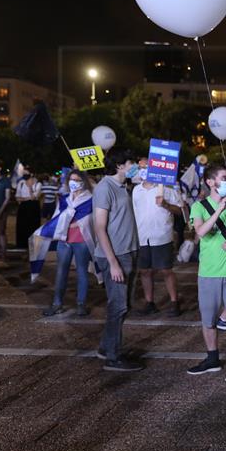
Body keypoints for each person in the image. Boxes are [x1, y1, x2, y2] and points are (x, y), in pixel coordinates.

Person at [187, 165, 226, 382]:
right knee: (208, 320)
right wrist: (220, 210)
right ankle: (212, 359)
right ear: (210, 182)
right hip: (208, 272)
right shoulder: (199, 206)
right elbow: (201, 232)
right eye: (223, 178)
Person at [92, 147, 144, 372]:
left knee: (124, 305)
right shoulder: (105, 188)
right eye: (131, 162)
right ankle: (113, 357)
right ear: (120, 165)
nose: (134, 166)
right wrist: (112, 262)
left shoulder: (123, 186)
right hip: (116, 256)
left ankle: (106, 346)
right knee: (118, 306)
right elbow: (100, 227)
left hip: (129, 252)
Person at [42, 170, 95, 317]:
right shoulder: (64, 199)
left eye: (77, 180)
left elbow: (90, 219)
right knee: (61, 272)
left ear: (83, 182)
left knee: (82, 272)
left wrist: (74, 224)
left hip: (81, 240)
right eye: (71, 179)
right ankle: (57, 304)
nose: (73, 182)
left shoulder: (90, 199)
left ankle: (81, 304)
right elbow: (56, 217)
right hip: (64, 240)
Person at [132, 176, 184, 317]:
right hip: (143, 237)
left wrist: (165, 204)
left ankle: (174, 302)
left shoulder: (166, 188)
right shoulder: (136, 190)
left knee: (166, 270)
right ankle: (150, 302)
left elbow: (181, 210)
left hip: (162, 236)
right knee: (145, 271)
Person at [15, 166, 42, 249]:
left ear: (31, 174)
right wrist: (26, 199)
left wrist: (30, 187)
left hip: (34, 208)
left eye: (26, 173)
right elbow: (18, 197)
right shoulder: (21, 183)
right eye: (23, 173)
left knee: (33, 226)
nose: (24, 174)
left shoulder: (38, 184)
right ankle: (21, 245)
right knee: (22, 226)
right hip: (23, 207)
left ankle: (33, 246)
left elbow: (34, 197)